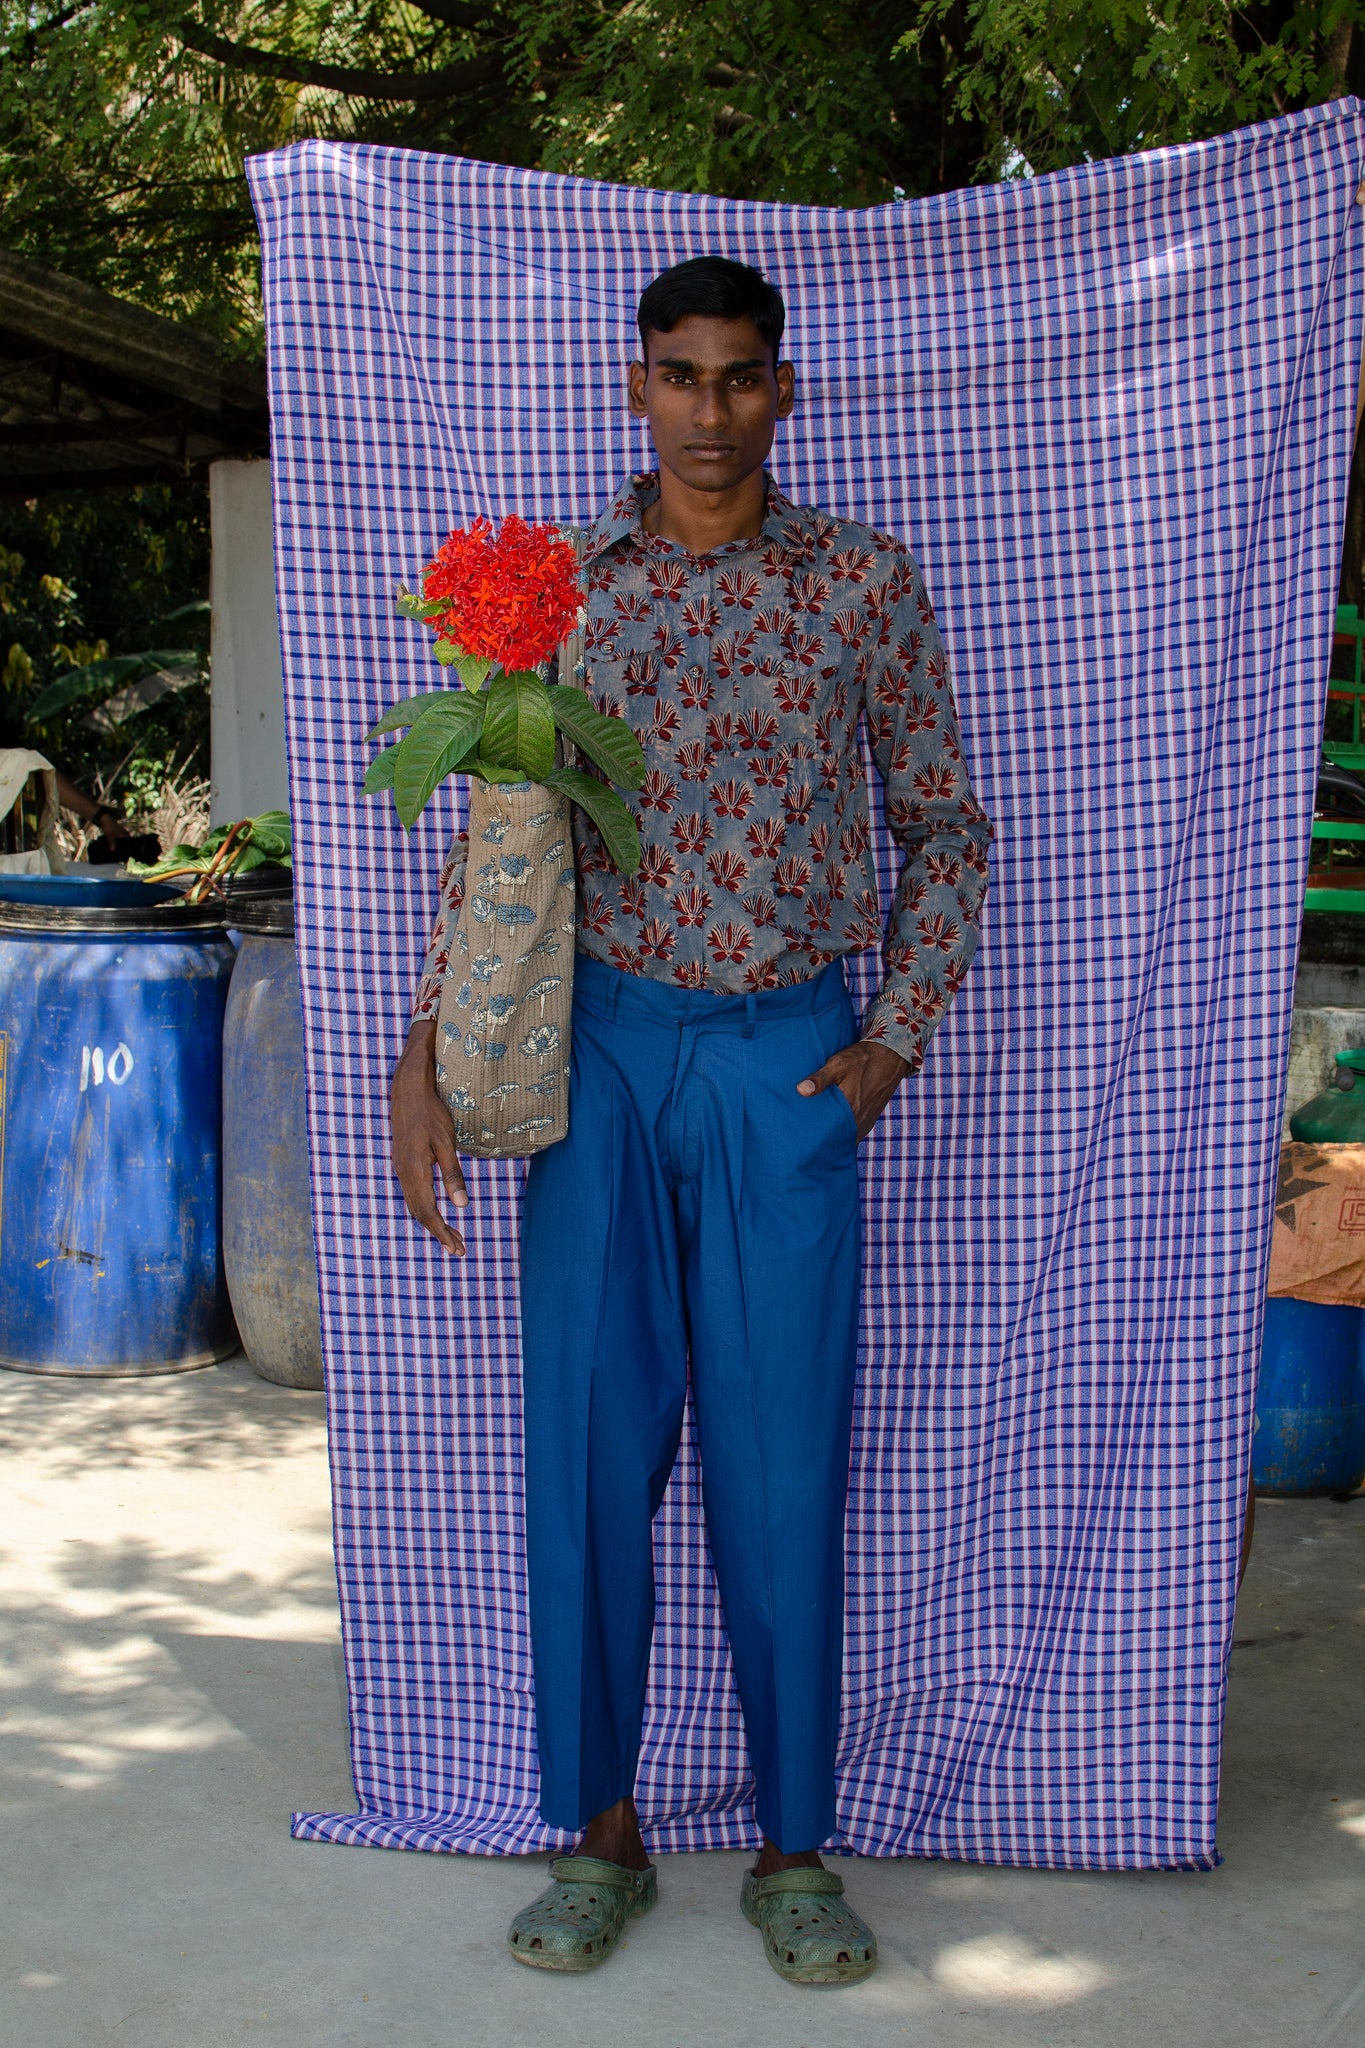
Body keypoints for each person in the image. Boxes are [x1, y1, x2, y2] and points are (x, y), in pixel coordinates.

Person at [391, 256, 993, 1985]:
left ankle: (796, 1847)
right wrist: (427, 1045)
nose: (709, 410)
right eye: (679, 376)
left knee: (779, 1459)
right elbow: (507, 843)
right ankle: (599, 1832)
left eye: (740, 379)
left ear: (781, 392)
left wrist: (888, 1045)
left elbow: (942, 829)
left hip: (785, 1062)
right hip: (596, 1058)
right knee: (585, 1451)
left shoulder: (862, 584)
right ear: (635, 386)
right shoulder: (561, 593)